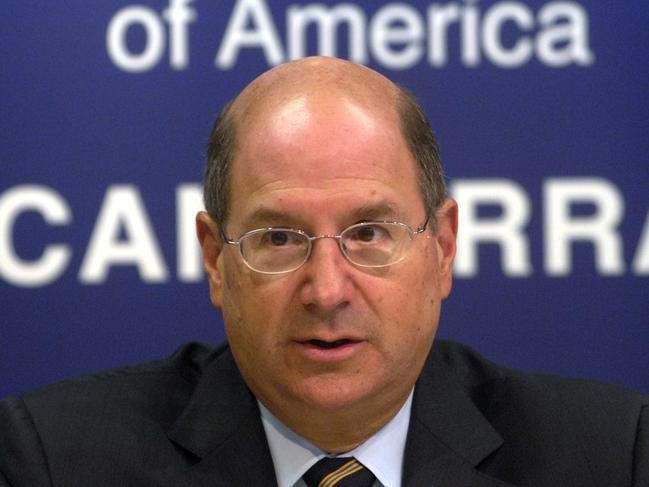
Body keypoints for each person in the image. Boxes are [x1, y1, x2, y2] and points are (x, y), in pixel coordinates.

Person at [0, 57, 647, 487]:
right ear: (214, 257)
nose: (327, 289)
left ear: (443, 248)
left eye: (369, 233)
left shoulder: (611, 456)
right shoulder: (54, 460)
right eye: (278, 237)